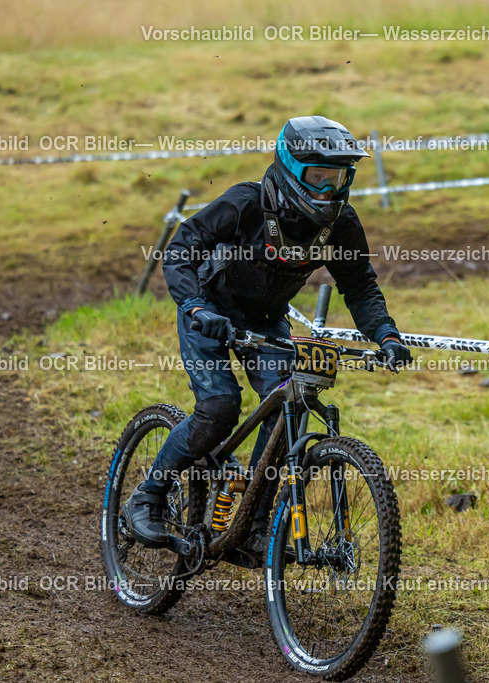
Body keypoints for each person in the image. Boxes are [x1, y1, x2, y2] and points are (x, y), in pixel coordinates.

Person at [123, 116, 413, 559]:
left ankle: (253, 526)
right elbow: (182, 248)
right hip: (209, 312)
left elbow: (359, 285)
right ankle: (149, 496)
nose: (328, 187)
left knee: (287, 407)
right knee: (219, 407)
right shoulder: (247, 203)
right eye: (318, 176)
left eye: (337, 177)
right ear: (291, 167)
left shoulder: (341, 223)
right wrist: (195, 306)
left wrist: (386, 335)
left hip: (266, 321)